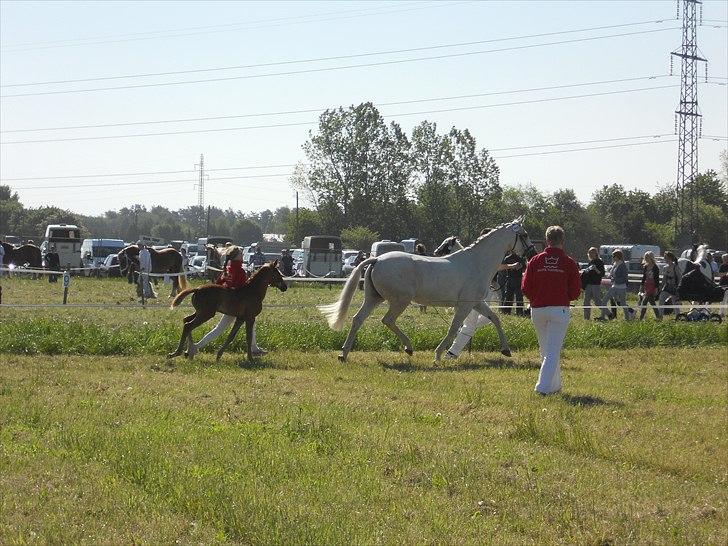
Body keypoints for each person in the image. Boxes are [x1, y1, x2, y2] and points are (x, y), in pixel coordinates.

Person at [521, 225, 580, 395]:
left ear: (547, 240)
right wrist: (563, 296)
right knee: (552, 351)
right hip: (559, 309)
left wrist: (536, 298)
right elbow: (575, 291)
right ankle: (542, 388)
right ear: (563, 241)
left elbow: (525, 287)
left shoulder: (535, 261)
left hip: (538, 310)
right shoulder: (568, 262)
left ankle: (555, 386)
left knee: (545, 351)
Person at [188, 245, 266, 357]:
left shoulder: (228, 268)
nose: (242, 255)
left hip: (227, 303)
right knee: (225, 328)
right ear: (236, 257)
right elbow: (243, 290)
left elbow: (218, 284)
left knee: (220, 329)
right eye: (240, 254)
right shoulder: (240, 271)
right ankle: (196, 346)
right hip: (237, 305)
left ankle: (254, 348)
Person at [597, 250, 631, 320]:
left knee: (623, 303)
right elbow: (611, 274)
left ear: (618, 257)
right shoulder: (615, 264)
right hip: (614, 286)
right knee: (604, 301)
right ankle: (602, 317)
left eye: (613, 256)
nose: (612, 257)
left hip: (621, 288)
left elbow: (625, 278)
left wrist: (615, 279)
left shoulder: (623, 265)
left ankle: (627, 318)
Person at [581, 247, 605, 320]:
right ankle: (586, 318)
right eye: (589, 253)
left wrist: (596, 269)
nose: (591, 254)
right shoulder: (590, 262)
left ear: (596, 254)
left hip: (595, 284)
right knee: (586, 302)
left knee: (597, 302)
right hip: (588, 284)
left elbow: (602, 274)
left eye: (592, 253)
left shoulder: (599, 262)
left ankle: (609, 314)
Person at [501, 250, 526, 316]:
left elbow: (524, 268)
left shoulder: (509, 258)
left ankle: (507, 312)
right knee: (516, 297)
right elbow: (524, 268)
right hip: (514, 279)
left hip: (514, 279)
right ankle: (518, 312)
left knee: (512, 297)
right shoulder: (519, 258)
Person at [638, 251, 661, 320]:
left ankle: (641, 318)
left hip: (652, 286)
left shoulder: (655, 268)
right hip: (646, 286)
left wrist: (656, 289)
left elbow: (657, 279)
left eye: (647, 257)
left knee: (644, 302)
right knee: (652, 302)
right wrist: (641, 287)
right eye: (645, 257)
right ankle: (658, 317)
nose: (646, 259)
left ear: (651, 258)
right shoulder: (646, 266)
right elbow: (644, 277)